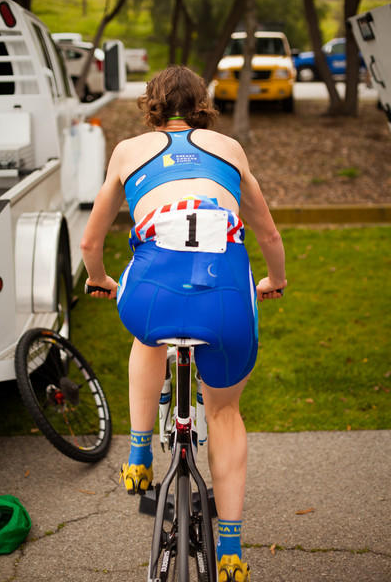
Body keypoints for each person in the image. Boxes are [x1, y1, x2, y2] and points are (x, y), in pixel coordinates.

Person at [81, 65, 286, 581]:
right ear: (203, 105)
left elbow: (89, 243)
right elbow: (269, 236)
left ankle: (138, 452)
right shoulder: (229, 150)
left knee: (146, 335)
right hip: (227, 299)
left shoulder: (128, 151)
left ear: (150, 105)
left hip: (152, 299)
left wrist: (100, 278)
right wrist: (275, 281)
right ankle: (233, 552)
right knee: (224, 414)